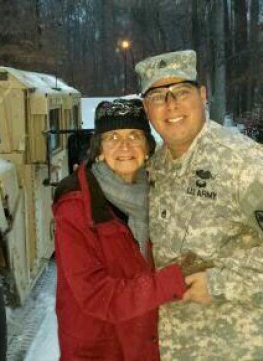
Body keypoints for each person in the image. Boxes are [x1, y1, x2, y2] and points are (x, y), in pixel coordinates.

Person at [135, 50, 263, 360]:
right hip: (180, 345)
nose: (171, 105)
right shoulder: (156, 167)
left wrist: (220, 283)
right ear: (147, 108)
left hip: (240, 345)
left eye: (181, 92)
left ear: (202, 95)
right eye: (158, 96)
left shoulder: (241, 162)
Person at [52, 98, 187, 361]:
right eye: (112, 136)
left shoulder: (163, 193)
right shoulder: (76, 207)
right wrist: (173, 281)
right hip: (100, 348)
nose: (124, 146)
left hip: (147, 342)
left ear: (147, 147)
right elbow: (96, 295)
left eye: (134, 135)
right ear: (99, 149)